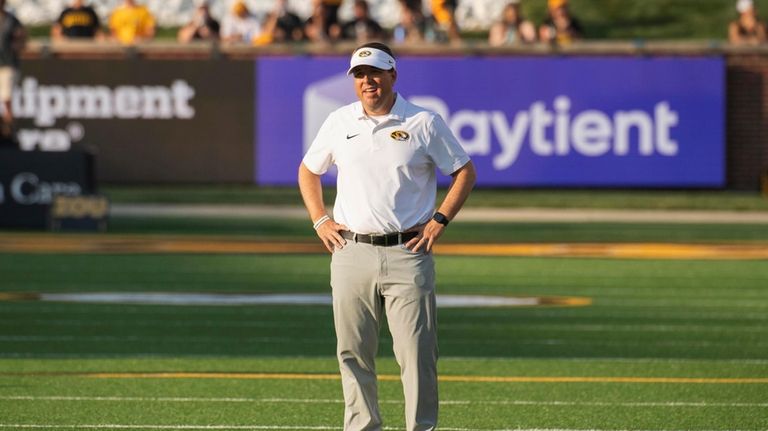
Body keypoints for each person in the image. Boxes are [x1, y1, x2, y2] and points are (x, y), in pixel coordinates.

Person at [298, 42, 476, 431]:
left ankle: (421, 427)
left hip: (407, 252)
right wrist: (319, 219)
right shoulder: (338, 121)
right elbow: (309, 170)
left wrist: (439, 220)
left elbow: (464, 170)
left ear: (393, 74)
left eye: (375, 72)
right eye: (360, 75)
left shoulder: (423, 121)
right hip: (351, 249)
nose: (368, 81)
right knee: (352, 352)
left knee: (416, 353)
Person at [0, 0, 25, 140]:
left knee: (7, 100)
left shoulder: (11, 20)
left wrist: (17, 46)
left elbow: (22, 36)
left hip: (7, 65)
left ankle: (9, 133)